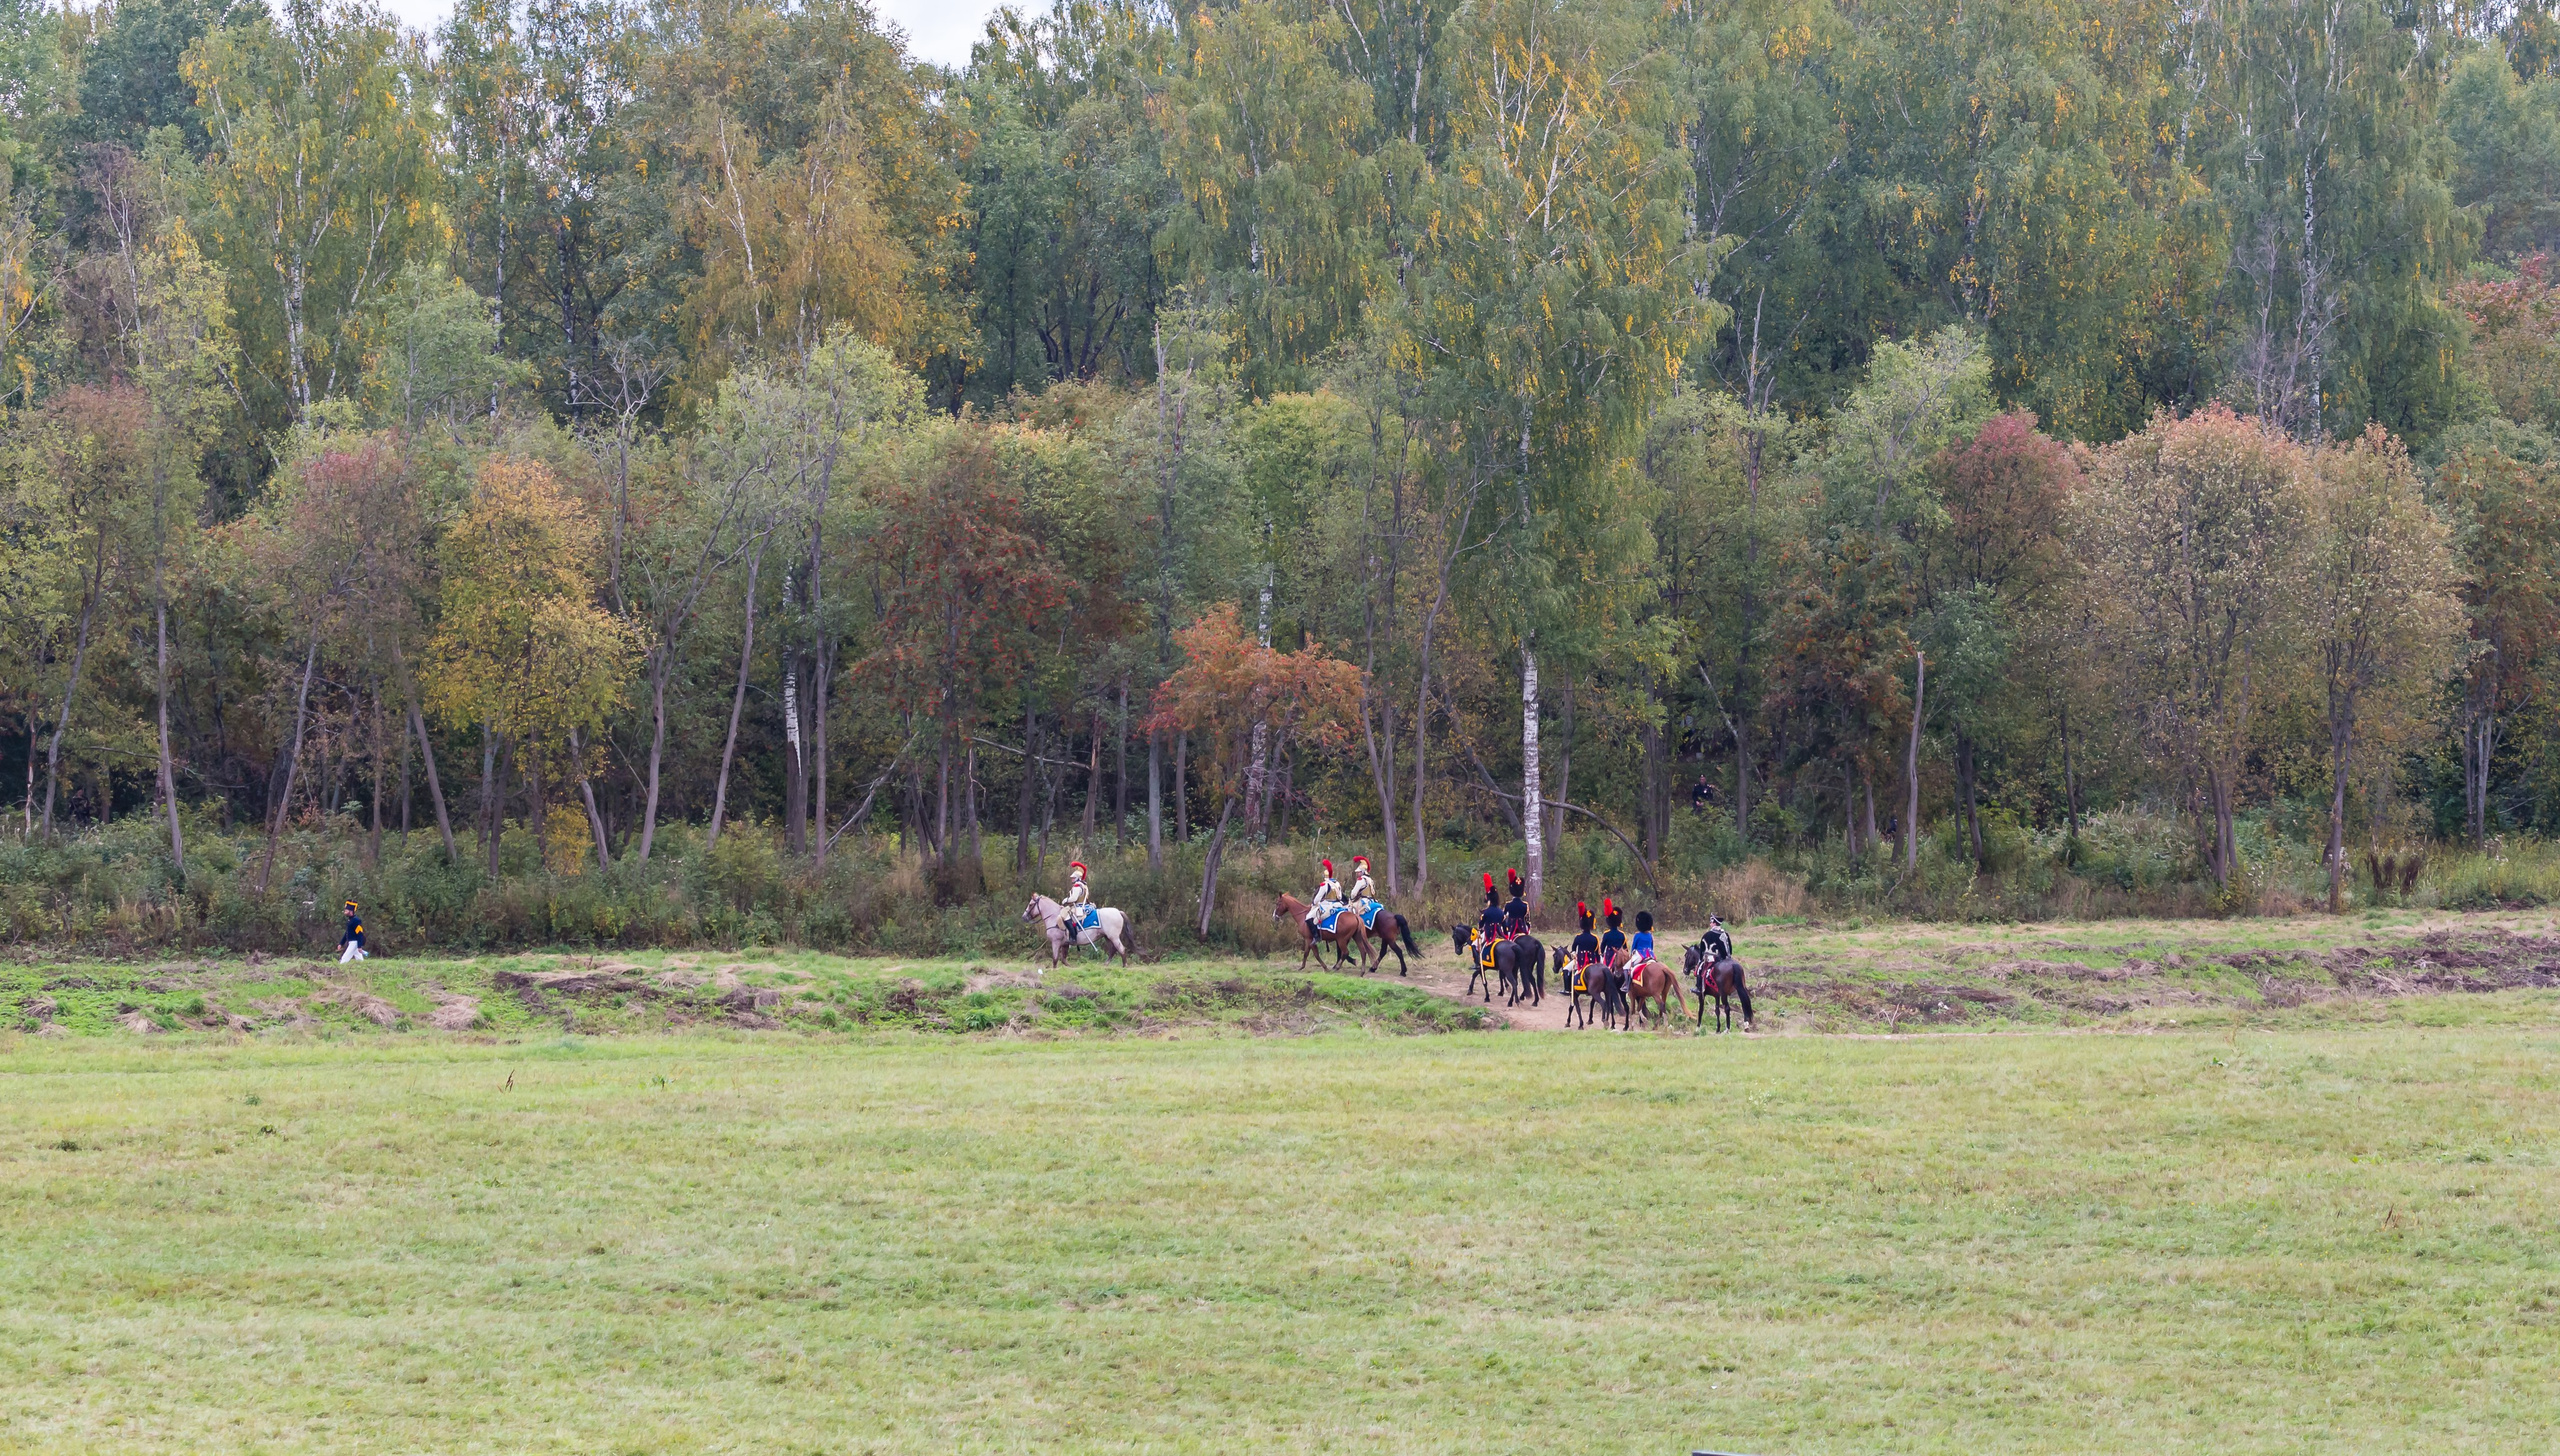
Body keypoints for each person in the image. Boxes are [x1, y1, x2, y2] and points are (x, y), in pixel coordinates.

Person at [1308, 857, 1345, 931]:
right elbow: (1340, 897)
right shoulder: (1337, 883)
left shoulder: (1324, 884)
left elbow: (1317, 899)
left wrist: (1314, 902)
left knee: (1309, 917)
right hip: (1338, 904)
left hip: (1327, 905)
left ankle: (1316, 936)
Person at [1061, 861, 1093, 931]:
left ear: (1077, 878)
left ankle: (1073, 936)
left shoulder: (1077, 886)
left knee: (1065, 917)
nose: (1072, 879)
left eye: (1073, 878)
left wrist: (1065, 900)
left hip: (1078, 906)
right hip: (1084, 905)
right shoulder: (1084, 885)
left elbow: (1074, 898)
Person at [1346, 855, 1377, 927]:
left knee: (1349, 909)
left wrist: (1351, 898)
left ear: (1362, 872)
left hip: (1363, 901)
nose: (1357, 873)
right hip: (1371, 901)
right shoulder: (1370, 879)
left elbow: (1353, 893)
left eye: (1359, 872)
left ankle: (1352, 928)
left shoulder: (1361, 879)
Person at [337, 899, 368, 964]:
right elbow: (347, 933)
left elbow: (359, 933)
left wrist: (359, 946)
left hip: (354, 942)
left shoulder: (356, 920)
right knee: (359, 959)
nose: (344, 911)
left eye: (346, 910)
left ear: (351, 911)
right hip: (352, 942)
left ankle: (340, 967)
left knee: (345, 958)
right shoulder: (350, 920)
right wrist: (341, 943)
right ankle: (363, 968)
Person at [1598, 898, 1627, 966]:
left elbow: (1602, 949)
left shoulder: (1606, 934)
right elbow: (1625, 950)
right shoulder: (1622, 934)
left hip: (1608, 958)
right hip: (1620, 958)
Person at [1502, 868, 1528, 936]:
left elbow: (1503, 918)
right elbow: (1527, 921)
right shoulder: (1525, 905)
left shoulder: (1508, 905)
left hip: (1510, 929)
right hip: (1523, 929)